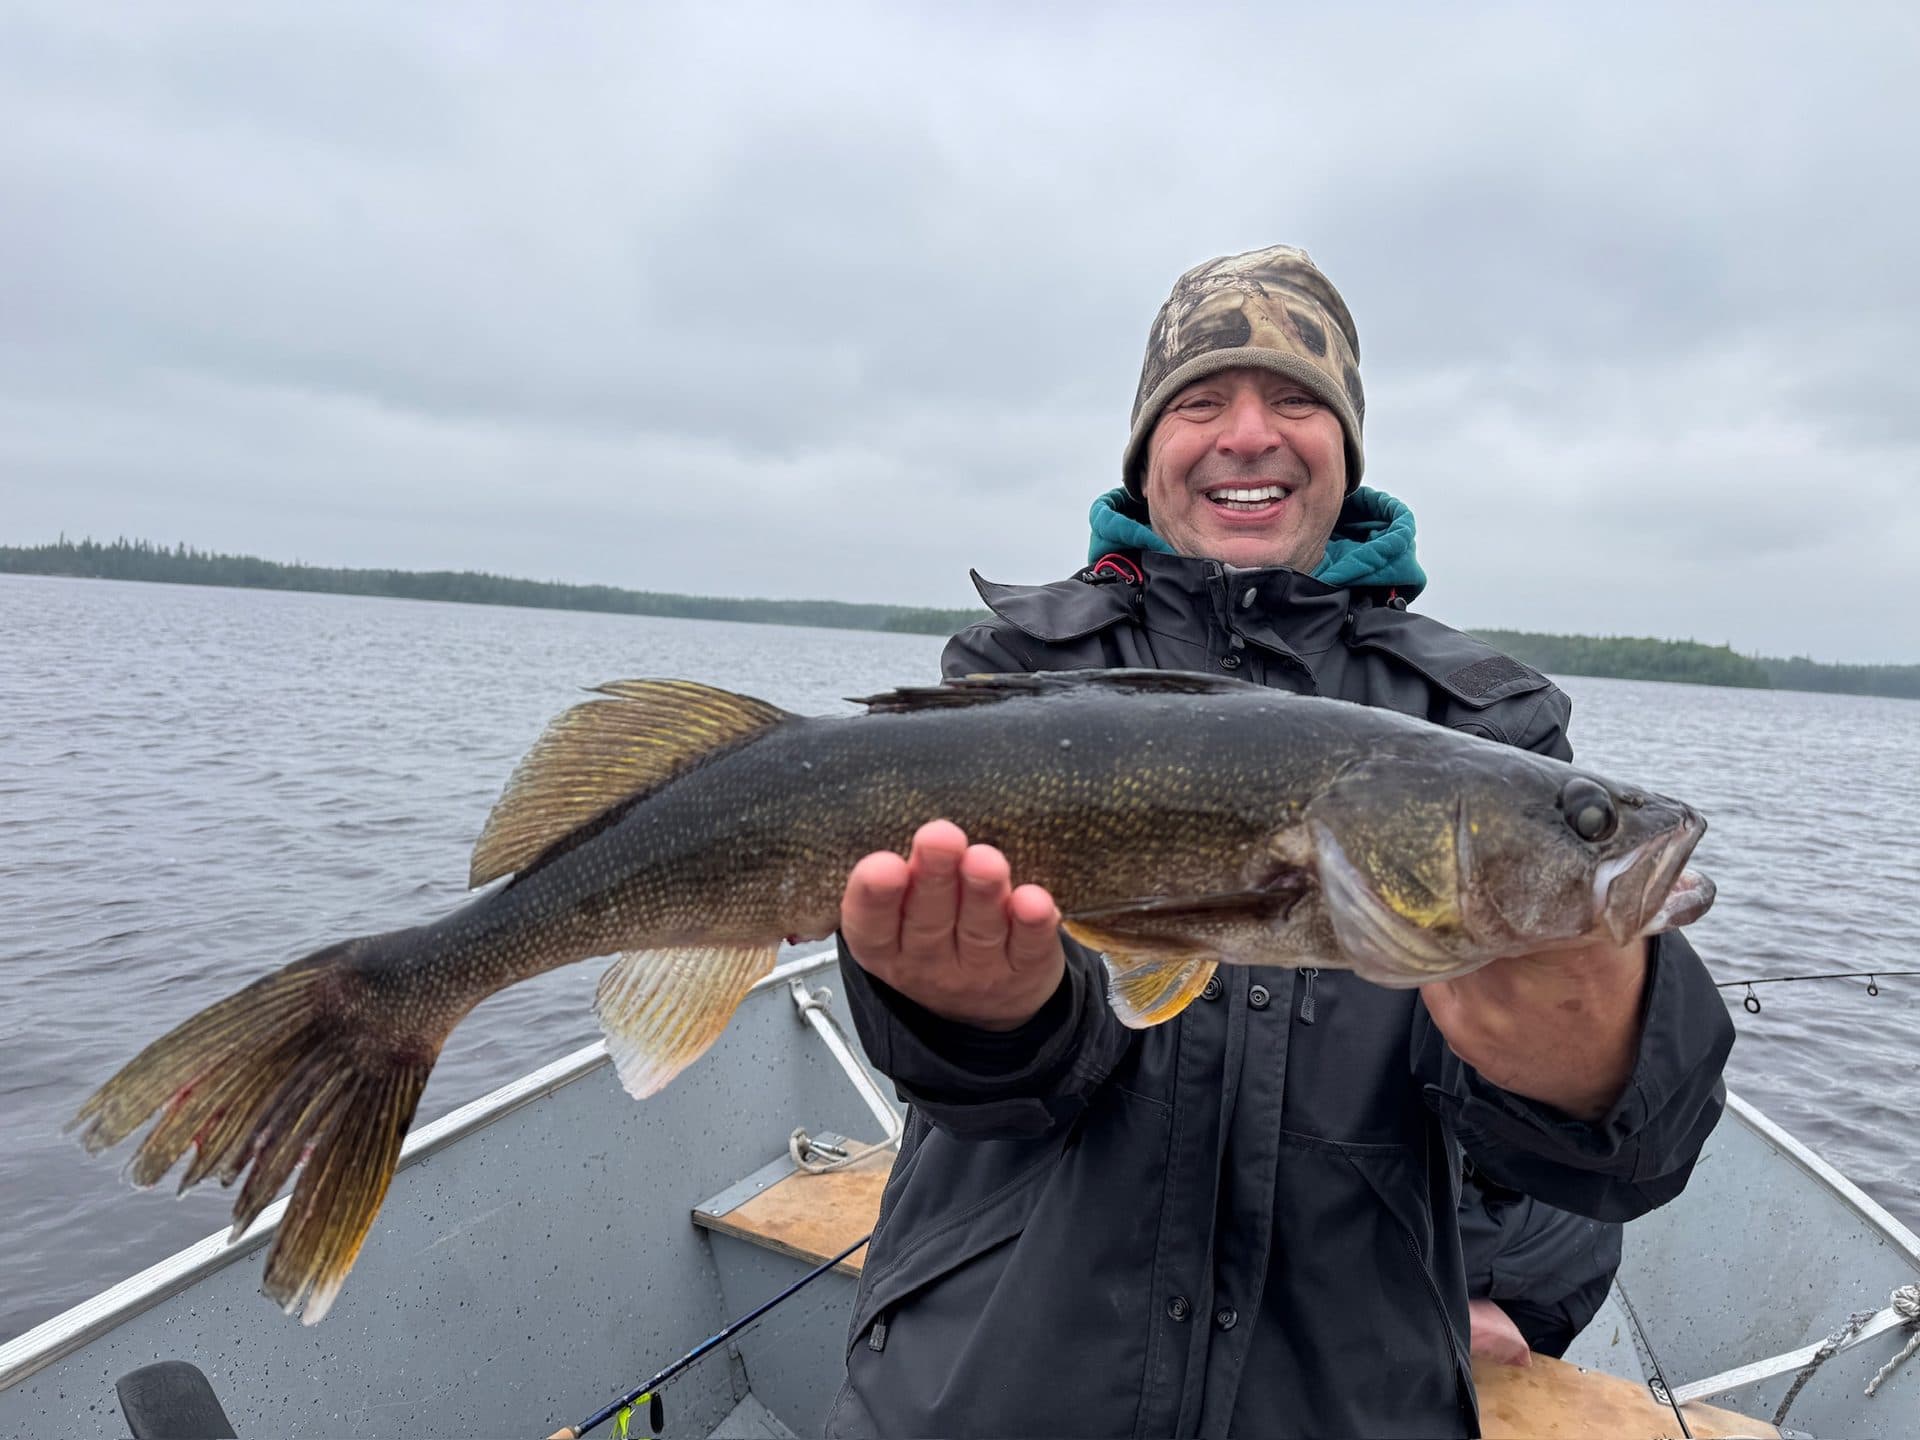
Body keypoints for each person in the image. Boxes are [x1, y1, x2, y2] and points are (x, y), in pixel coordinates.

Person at [822, 245, 1734, 1438]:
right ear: (1146, 451)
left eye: (1296, 400)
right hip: (997, 1390)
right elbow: (977, 1093)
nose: (1247, 433)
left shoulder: (1486, 727)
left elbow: (1621, 1163)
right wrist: (982, 1021)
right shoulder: (1015, 679)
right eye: (1199, 402)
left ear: (1347, 450)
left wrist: (1597, 1072)